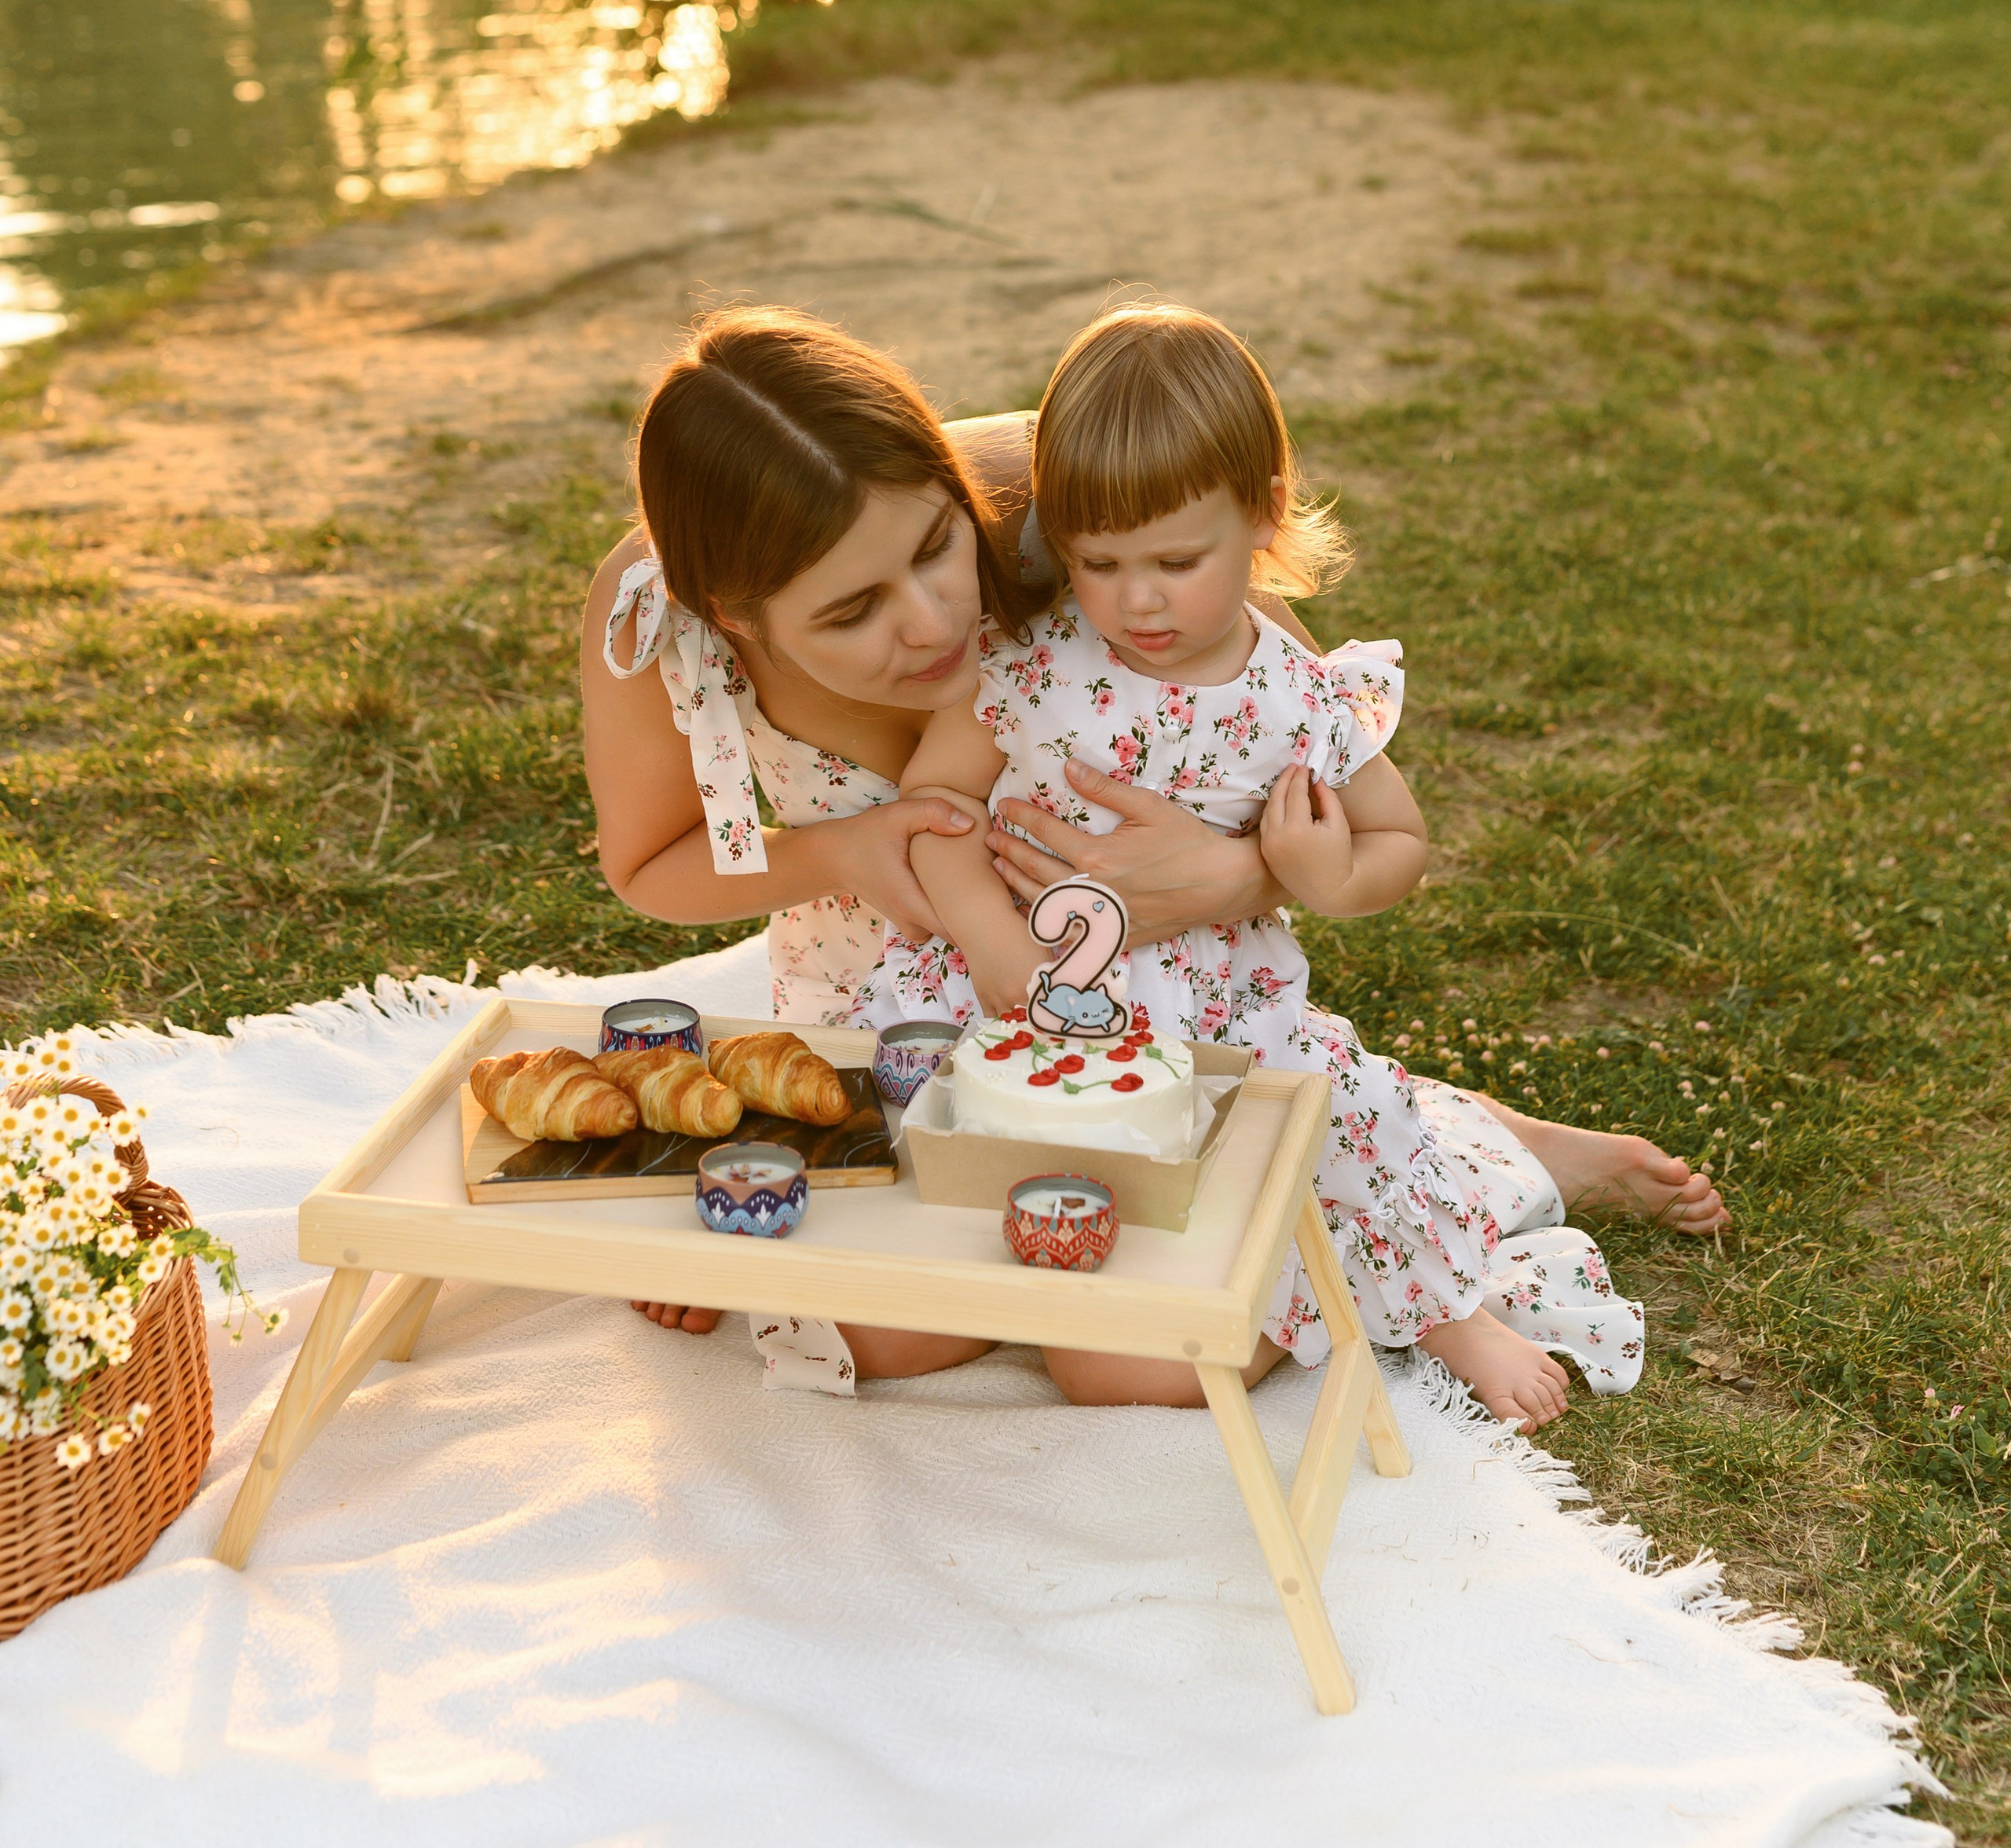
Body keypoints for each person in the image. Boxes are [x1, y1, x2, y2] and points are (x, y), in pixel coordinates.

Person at [582, 303, 1725, 1410]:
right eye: (850, 614)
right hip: (898, 997)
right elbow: (651, 867)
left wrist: (1236, 876)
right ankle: (1403, 1136)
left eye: (940, 547)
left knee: (1143, 1360)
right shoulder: (655, 619)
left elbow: (1276, 696)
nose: (932, 621)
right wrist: (842, 847)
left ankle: (1455, 1158)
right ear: (732, 615)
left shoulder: (1060, 490)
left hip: (1166, 980)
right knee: (878, 1336)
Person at [870, 302, 1633, 1428]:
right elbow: (931, 813)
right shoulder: (1033, 668)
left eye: (1177, 560)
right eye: (1099, 561)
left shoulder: (1297, 692)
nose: (1137, 599)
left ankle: (1423, 1301)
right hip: (1019, 1007)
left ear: (1265, 515)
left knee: (1272, 1204)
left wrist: (1321, 872)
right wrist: (986, 934)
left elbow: (1397, 842)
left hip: (1209, 1019)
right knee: (947, 1266)